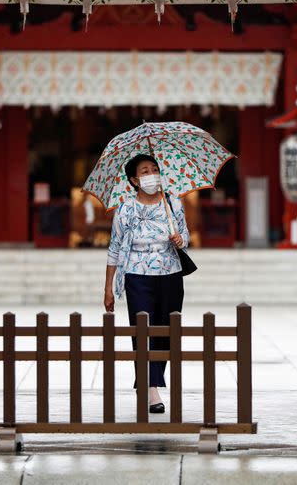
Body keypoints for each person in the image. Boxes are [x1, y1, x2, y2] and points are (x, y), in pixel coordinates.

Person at [103, 154, 190, 414]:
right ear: (134, 180)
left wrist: (180, 239)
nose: (152, 174)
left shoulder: (172, 202)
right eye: (145, 171)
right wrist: (108, 287)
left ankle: (151, 379)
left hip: (171, 273)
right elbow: (114, 247)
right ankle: (152, 389)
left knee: (166, 330)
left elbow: (186, 233)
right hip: (137, 274)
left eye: (154, 169)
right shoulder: (126, 208)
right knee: (143, 329)